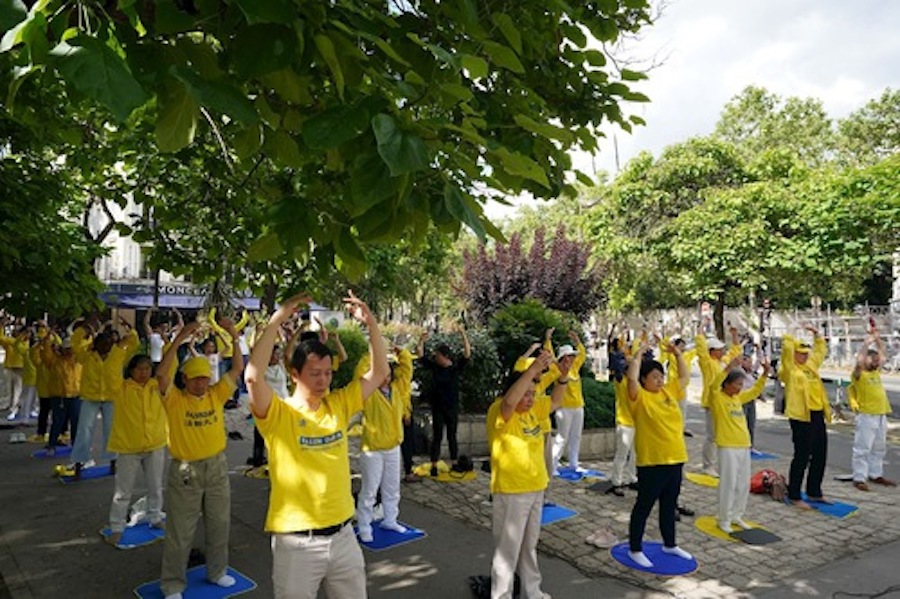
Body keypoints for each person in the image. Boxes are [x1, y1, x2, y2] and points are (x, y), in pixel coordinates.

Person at [245, 291, 388, 598]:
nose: (324, 381)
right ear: (294, 374)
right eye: (315, 374)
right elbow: (254, 379)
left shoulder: (338, 404)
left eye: (327, 373)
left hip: (344, 537)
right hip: (297, 544)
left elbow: (380, 373)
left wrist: (371, 324)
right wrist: (277, 320)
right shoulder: (278, 413)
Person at [156, 318, 243, 599]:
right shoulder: (174, 399)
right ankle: (172, 584)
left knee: (220, 524)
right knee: (180, 531)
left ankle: (217, 571)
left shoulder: (215, 395)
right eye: (196, 379)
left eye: (205, 378)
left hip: (216, 467)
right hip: (185, 471)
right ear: (185, 379)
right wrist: (181, 335)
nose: (202, 383)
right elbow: (161, 374)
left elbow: (238, 368)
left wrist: (232, 334)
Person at [488, 350, 568, 599]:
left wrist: (563, 377)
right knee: (507, 550)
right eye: (527, 393)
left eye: (534, 394)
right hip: (512, 491)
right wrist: (533, 371)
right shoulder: (501, 411)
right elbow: (510, 402)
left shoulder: (533, 411)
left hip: (536, 487)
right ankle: (501, 595)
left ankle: (532, 592)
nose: (531, 398)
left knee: (528, 547)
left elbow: (555, 401)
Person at [626, 339, 692, 569]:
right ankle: (635, 548)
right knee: (643, 506)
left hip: (676, 457)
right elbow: (631, 380)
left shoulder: (668, 391)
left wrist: (677, 354)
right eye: (654, 377)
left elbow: (684, 377)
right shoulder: (639, 398)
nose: (659, 380)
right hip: (652, 461)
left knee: (669, 504)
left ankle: (670, 544)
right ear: (645, 379)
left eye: (661, 376)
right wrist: (638, 355)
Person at [105, 354, 168, 545]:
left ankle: (155, 517)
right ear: (131, 370)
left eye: (147, 368)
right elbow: (111, 367)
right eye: (139, 369)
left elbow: (168, 365)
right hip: (128, 447)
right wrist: (121, 346)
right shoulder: (121, 388)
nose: (143, 373)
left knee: (155, 486)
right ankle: (117, 527)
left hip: (155, 444)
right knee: (123, 491)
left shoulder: (157, 386)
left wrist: (178, 340)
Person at [354, 345, 414, 542]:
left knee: (392, 488)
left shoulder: (398, 389)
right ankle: (364, 525)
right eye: (380, 373)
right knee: (370, 490)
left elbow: (406, 370)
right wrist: (372, 352)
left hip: (393, 447)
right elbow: (359, 373)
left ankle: (390, 519)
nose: (385, 378)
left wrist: (401, 353)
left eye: (387, 373)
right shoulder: (368, 393)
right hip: (372, 449)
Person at [70, 318, 139, 478]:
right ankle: (79, 462)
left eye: (109, 342)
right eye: (102, 343)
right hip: (90, 396)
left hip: (112, 397)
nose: (106, 345)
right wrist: (83, 330)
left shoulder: (118, 353)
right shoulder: (87, 355)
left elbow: (134, 344)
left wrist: (130, 329)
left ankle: (113, 461)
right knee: (84, 430)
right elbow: (75, 342)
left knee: (111, 430)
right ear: (95, 344)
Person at [710, 356, 770, 533]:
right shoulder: (717, 397)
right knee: (728, 483)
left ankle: (737, 515)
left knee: (743, 483)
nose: (740, 388)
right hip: (727, 446)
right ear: (727, 384)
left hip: (743, 445)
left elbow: (754, 391)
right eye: (737, 384)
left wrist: (765, 374)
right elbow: (714, 385)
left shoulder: (738, 399)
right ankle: (724, 518)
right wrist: (728, 367)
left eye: (741, 384)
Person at [780, 325, 830, 509]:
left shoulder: (811, 364)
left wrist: (816, 334)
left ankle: (814, 491)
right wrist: (791, 333)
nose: (804, 355)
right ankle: (794, 494)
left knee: (820, 453)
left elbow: (820, 351)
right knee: (802, 455)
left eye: (805, 352)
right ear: (794, 353)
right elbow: (786, 350)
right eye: (800, 353)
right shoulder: (789, 370)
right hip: (800, 416)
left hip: (816, 413)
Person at [417, 324, 470, 476]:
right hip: (438, 406)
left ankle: (454, 462)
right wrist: (421, 340)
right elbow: (420, 355)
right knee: (437, 436)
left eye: (438, 355)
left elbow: (467, 354)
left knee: (452, 435)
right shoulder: (435, 367)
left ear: (445, 356)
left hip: (451, 407)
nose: (435, 357)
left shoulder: (455, 368)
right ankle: (434, 464)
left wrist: (463, 334)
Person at [848, 331, 896, 491]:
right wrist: (866, 344)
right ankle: (859, 477)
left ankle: (876, 474)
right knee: (863, 447)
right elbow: (860, 360)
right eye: (872, 358)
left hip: (881, 414)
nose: (876, 361)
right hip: (867, 415)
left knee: (879, 447)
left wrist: (877, 339)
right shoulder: (859, 375)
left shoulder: (875, 373)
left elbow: (883, 355)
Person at [695, 323, 741, 477]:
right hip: (712, 402)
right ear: (712, 351)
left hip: (725, 401)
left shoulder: (722, 362)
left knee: (720, 434)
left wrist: (734, 335)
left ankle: (717, 463)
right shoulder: (707, 363)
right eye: (719, 349)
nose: (722, 351)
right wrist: (700, 333)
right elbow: (701, 351)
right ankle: (707, 465)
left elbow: (735, 353)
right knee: (712, 435)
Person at [547, 329, 587, 473]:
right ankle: (552, 465)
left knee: (576, 437)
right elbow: (550, 356)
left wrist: (577, 340)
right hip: (564, 409)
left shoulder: (575, 368)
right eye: (567, 357)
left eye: (571, 356)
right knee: (561, 438)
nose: (570, 359)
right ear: (562, 358)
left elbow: (582, 354)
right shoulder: (556, 369)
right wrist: (548, 339)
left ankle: (574, 464)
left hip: (578, 407)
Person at [40, 336, 82, 454]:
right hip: (59, 396)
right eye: (67, 349)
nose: (69, 351)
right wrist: (47, 340)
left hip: (75, 395)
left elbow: (86, 348)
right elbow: (45, 354)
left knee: (76, 421)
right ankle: (51, 444)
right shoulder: (54, 361)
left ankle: (76, 444)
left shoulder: (78, 360)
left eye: (71, 349)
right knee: (58, 421)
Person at [608, 337, 636, 497]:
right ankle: (616, 482)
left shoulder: (635, 382)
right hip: (625, 423)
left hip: (636, 422)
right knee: (622, 454)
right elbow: (615, 359)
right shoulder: (621, 381)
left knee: (635, 454)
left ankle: (633, 478)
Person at [0, 325, 30, 420]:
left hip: (20, 368)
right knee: (11, 389)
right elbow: (1, 338)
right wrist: (1, 327)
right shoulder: (11, 341)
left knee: (17, 390)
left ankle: (14, 408)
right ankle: (12, 406)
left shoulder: (25, 343)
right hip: (10, 367)